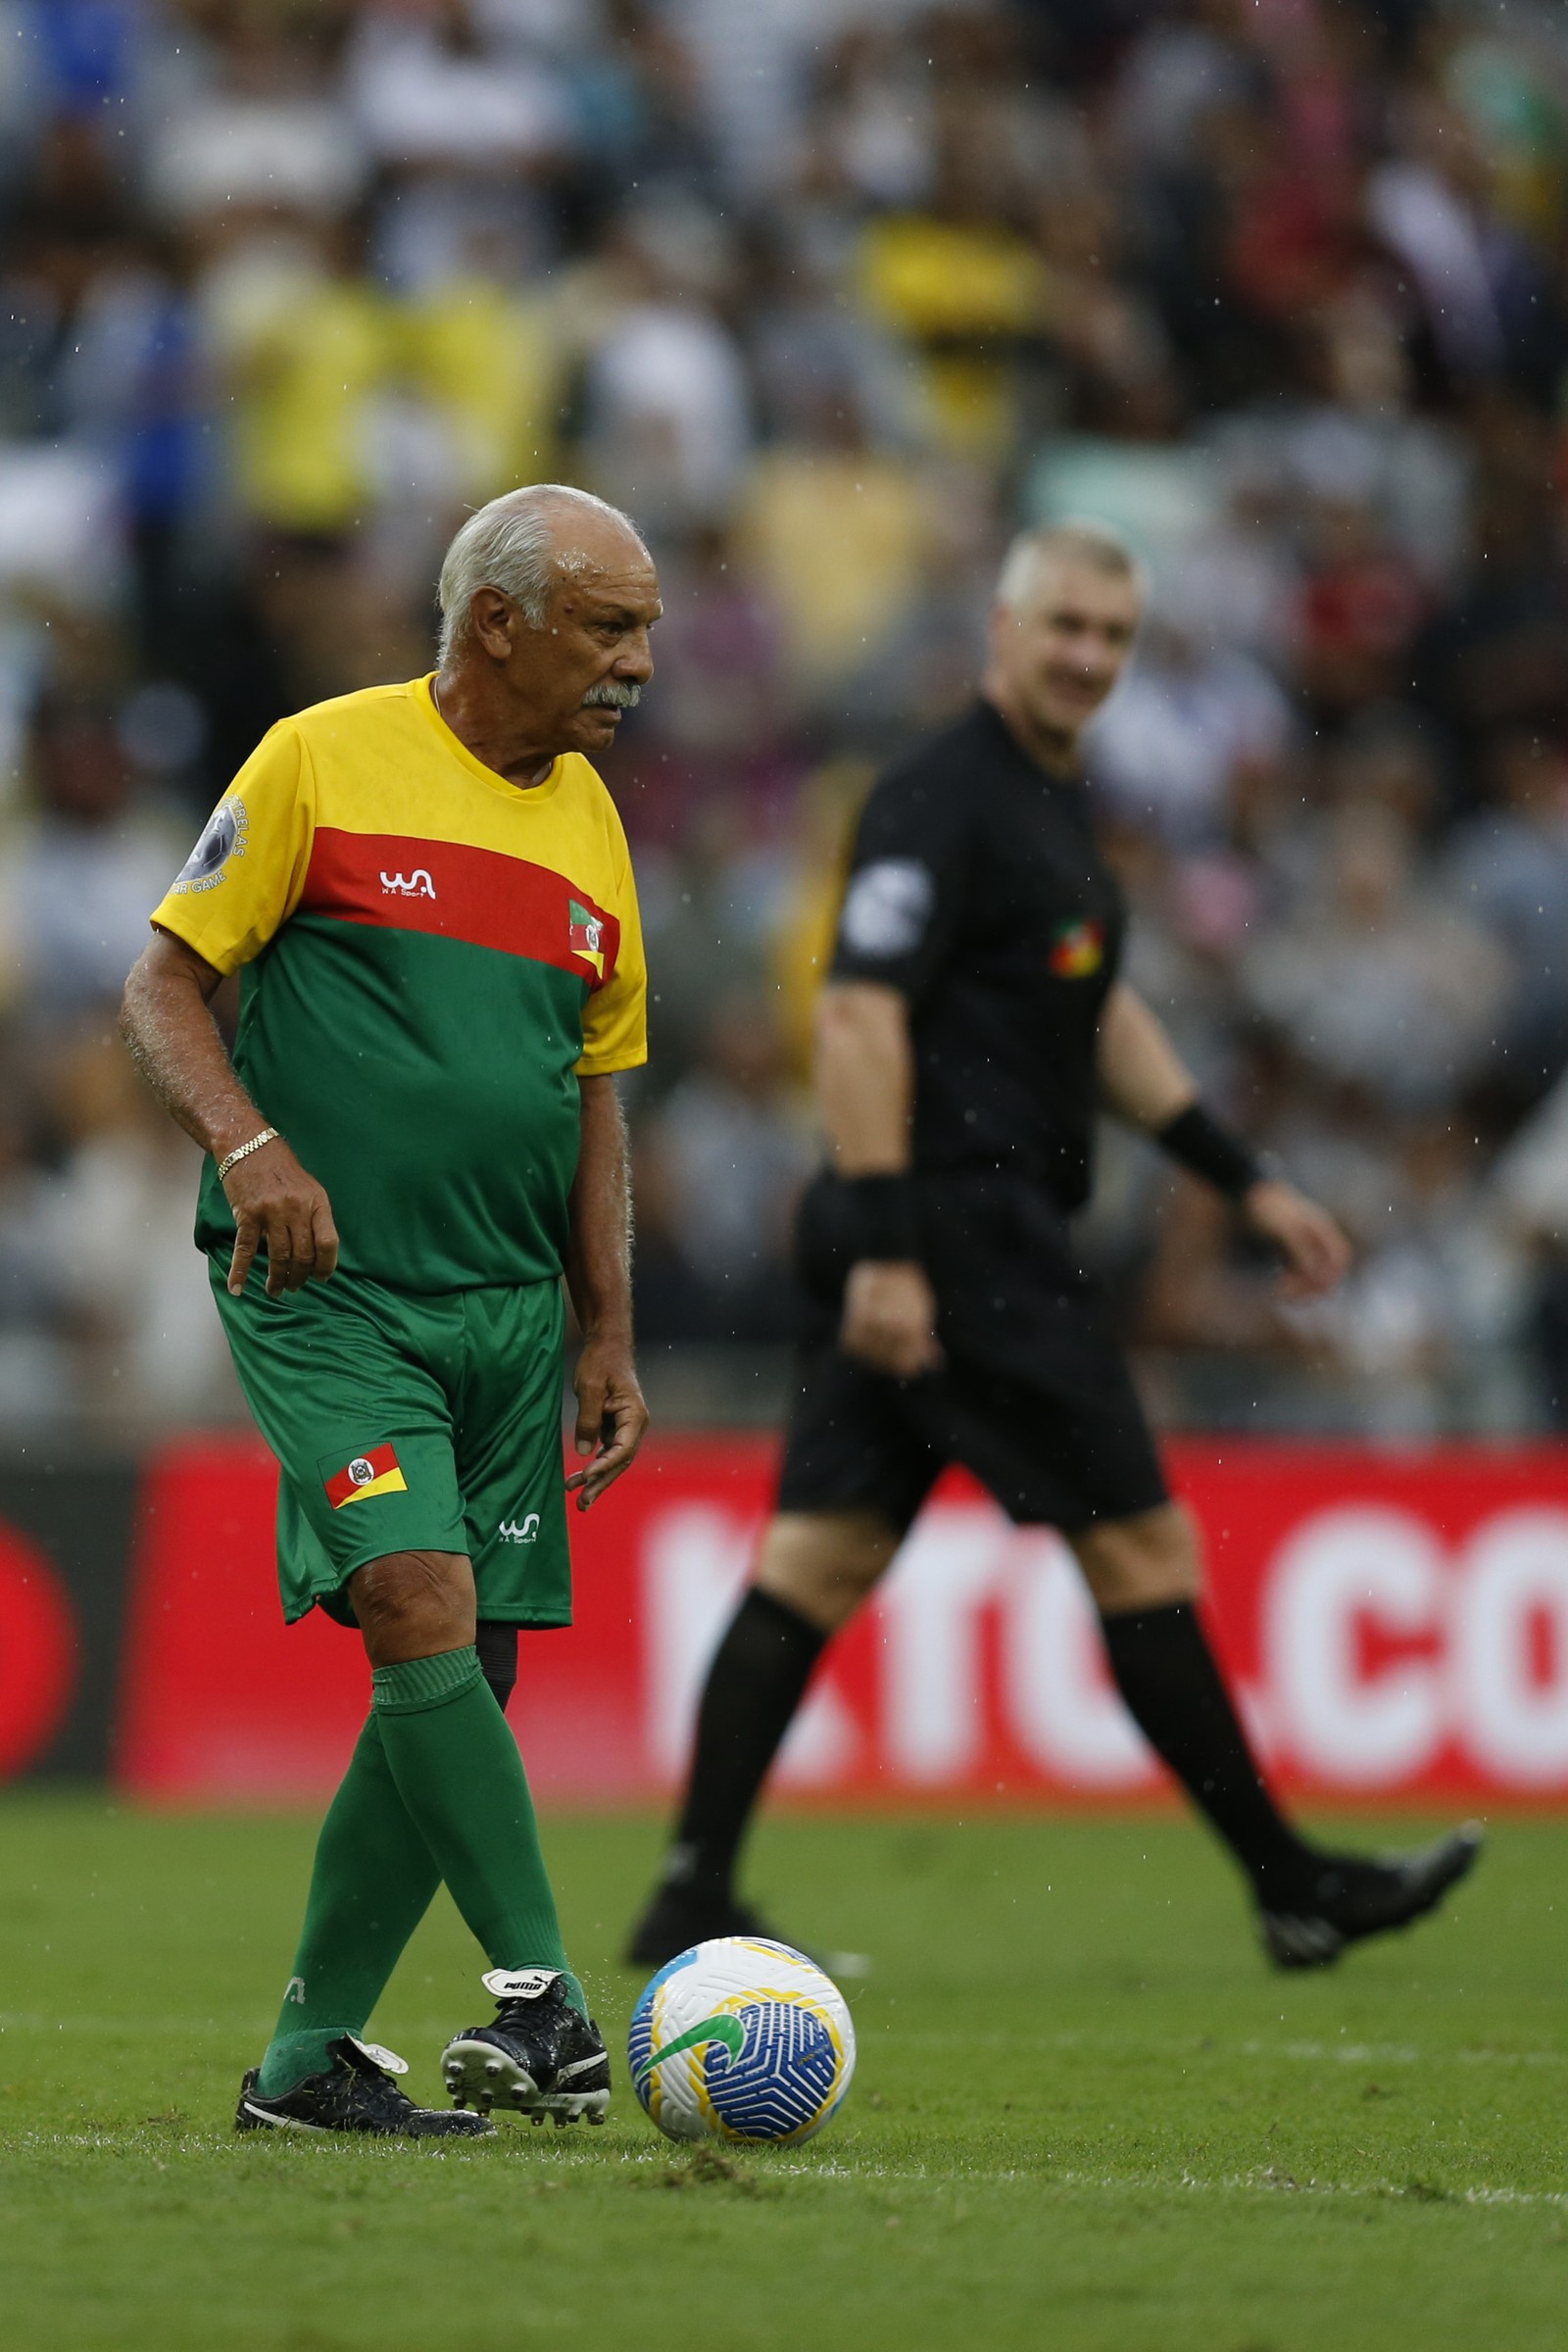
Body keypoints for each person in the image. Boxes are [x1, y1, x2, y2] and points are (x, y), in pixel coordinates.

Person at [627, 521, 1481, 1975]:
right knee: (1141, 1546)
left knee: (817, 1559)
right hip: (960, 1235)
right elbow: (857, 1016)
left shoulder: (1054, 810)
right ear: (1002, 631)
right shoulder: (937, 798)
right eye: (1064, 627)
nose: (1087, 655)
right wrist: (896, 1253)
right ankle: (1291, 1883)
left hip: (951, 1231)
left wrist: (1240, 1175)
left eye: (1111, 636)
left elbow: (1105, 1019)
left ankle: (692, 1886)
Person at [122, 484, 657, 2138]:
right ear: (496, 619)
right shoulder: (317, 758)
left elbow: (594, 1097)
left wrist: (605, 1327)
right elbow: (163, 985)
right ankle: (544, 2001)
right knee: (417, 1598)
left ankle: (305, 2066)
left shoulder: (590, 823)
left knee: (462, 1680)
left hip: (509, 1315)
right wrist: (251, 1145)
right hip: (329, 1291)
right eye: (609, 625)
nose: (641, 663)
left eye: (647, 627)